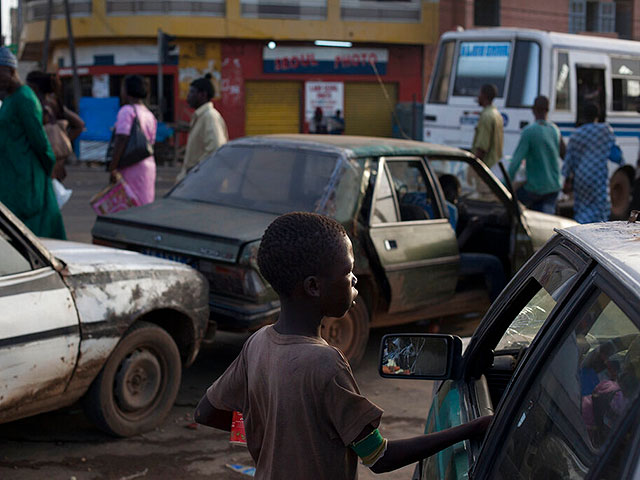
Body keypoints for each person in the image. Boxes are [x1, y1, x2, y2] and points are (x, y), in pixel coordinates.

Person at [194, 212, 492, 479]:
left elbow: (206, 412)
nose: (355, 281)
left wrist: (270, 430)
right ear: (314, 287)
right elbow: (378, 456)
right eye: (348, 273)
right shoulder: (326, 363)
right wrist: (472, 428)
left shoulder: (257, 343)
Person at [0, 46, 66, 239]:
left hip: (26, 181)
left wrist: (46, 170)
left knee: (30, 235)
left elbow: (40, 143)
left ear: (11, 71)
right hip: (12, 179)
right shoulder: (11, 100)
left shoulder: (25, 99)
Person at [439, 174, 506, 302]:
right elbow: (453, 250)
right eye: (457, 196)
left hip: (432, 258)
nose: (457, 200)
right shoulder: (449, 210)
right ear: (450, 193)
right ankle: (499, 306)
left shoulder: (426, 203)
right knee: (493, 263)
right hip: (447, 262)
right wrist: (469, 229)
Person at [562, 103, 622, 223]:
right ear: (597, 116)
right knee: (600, 209)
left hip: (581, 179)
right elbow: (616, 156)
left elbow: (568, 162)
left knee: (582, 208)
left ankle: (582, 234)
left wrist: (567, 179)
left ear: (583, 116)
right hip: (598, 178)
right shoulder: (605, 130)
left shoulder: (576, 134)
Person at [507, 96, 564, 214]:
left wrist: (505, 183)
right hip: (554, 187)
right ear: (548, 110)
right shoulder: (555, 130)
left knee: (510, 204)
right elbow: (564, 154)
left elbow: (515, 162)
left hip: (535, 189)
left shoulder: (529, 131)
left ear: (533, 110)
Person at [26, 70, 85, 181]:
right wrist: (62, 141)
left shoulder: (36, 106)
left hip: (41, 163)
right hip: (57, 162)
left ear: (33, 87)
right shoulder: (54, 103)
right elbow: (79, 125)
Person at [108, 75, 157, 206]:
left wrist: (113, 167)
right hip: (147, 166)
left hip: (131, 167)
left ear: (126, 91)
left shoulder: (127, 111)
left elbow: (121, 138)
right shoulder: (149, 114)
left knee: (129, 206)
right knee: (144, 205)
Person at [176, 73, 228, 183]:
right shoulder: (199, 117)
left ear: (202, 95)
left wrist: (196, 169)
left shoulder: (209, 116)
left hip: (203, 181)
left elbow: (215, 148)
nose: (188, 96)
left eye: (191, 92)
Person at [472, 84, 503, 170]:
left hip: (486, 168)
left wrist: (473, 167)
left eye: (479, 94)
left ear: (484, 96)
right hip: (495, 167)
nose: (478, 97)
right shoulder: (497, 114)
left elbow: (482, 148)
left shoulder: (486, 116)